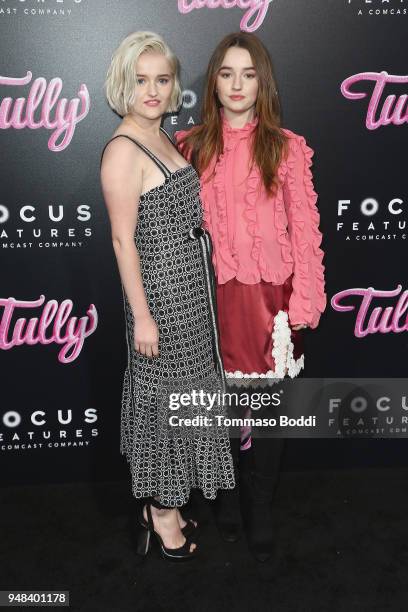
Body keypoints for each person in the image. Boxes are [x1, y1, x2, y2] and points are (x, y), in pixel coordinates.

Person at [176, 32, 327, 561]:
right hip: (208, 299)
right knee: (214, 409)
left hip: (270, 298)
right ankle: (224, 496)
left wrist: (305, 302)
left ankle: (260, 504)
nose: (237, 85)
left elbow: (305, 230)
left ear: (262, 82)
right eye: (226, 73)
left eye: (248, 74)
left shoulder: (286, 147)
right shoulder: (189, 147)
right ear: (213, 81)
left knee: (267, 413)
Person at [100, 31, 235, 562]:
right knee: (163, 411)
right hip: (161, 301)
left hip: (193, 296)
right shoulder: (122, 150)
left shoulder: (164, 137)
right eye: (140, 81)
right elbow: (121, 239)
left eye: (161, 79)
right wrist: (143, 318)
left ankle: (172, 502)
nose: (152, 91)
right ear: (123, 85)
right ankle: (159, 514)